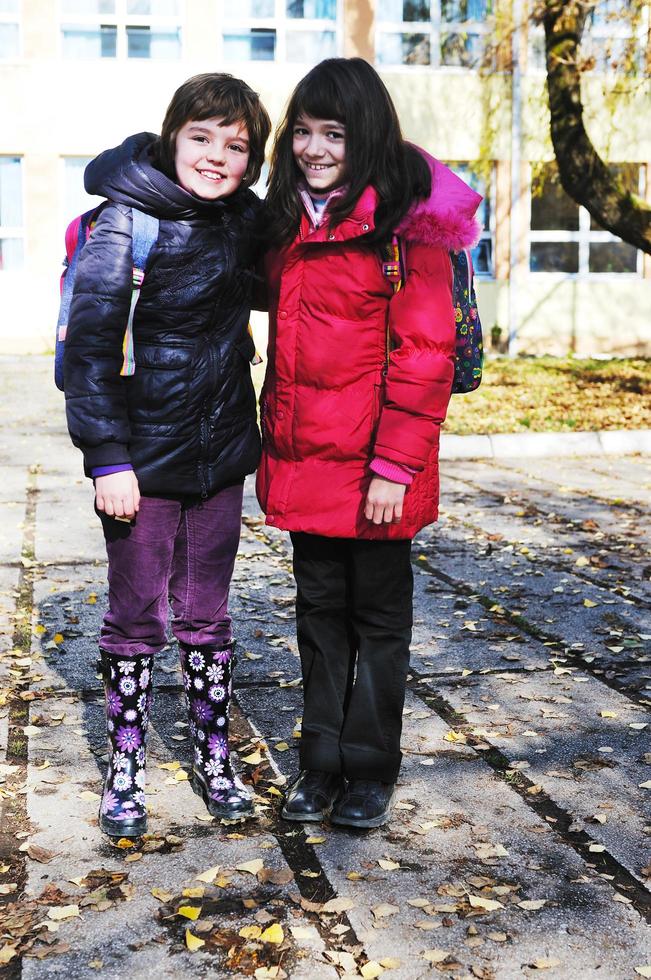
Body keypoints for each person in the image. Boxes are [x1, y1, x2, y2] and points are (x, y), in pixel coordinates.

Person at [257, 58, 482, 828]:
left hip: (376, 472)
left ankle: (369, 769)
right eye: (304, 132)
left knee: (377, 625)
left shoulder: (406, 227)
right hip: (303, 466)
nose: (314, 149)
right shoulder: (289, 221)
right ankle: (319, 765)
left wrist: (393, 467)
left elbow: (424, 357)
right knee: (318, 622)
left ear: (367, 138)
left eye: (335, 134)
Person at [63, 73, 271, 838]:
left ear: (252, 161)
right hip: (141, 466)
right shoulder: (127, 221)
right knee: (134, 620)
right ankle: (125, 766)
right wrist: (108, 459)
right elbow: (87, 352)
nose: (217, 156)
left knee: (208, 617)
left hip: (219, 457)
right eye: (203, 137)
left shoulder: (244, 222)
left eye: (237, 145)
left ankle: (213, 759)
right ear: (173, 134)